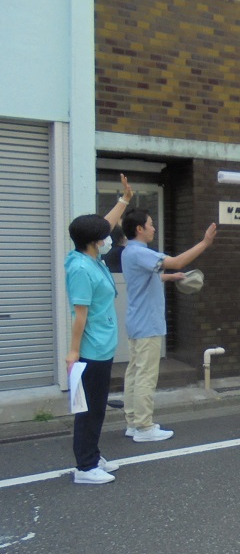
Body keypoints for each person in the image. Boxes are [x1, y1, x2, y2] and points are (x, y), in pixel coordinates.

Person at [121, 210, 217, 442]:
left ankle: (133, 423)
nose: (154, 228)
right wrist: (205, 243)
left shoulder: (129, 251)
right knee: (145, 375)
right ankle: (144, 427)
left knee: (134, 373)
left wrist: (170, 278)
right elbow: (176, 262)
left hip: (137, 322)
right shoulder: (140, 252)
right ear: (139, 229)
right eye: (151, 225)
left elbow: (148, 277)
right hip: (148, 324)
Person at [65, 175, 135, 484]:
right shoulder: (81, 268)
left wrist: (124, 200)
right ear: (95, 241)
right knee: (89, 409)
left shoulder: (91, 256)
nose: (108, 237)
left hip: (102, 345)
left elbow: (103, 224)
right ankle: (84, 467)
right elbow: (80, 315)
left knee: (97, 407)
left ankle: (92, 455)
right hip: (90, 349)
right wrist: (73, 353)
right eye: (103, 236)